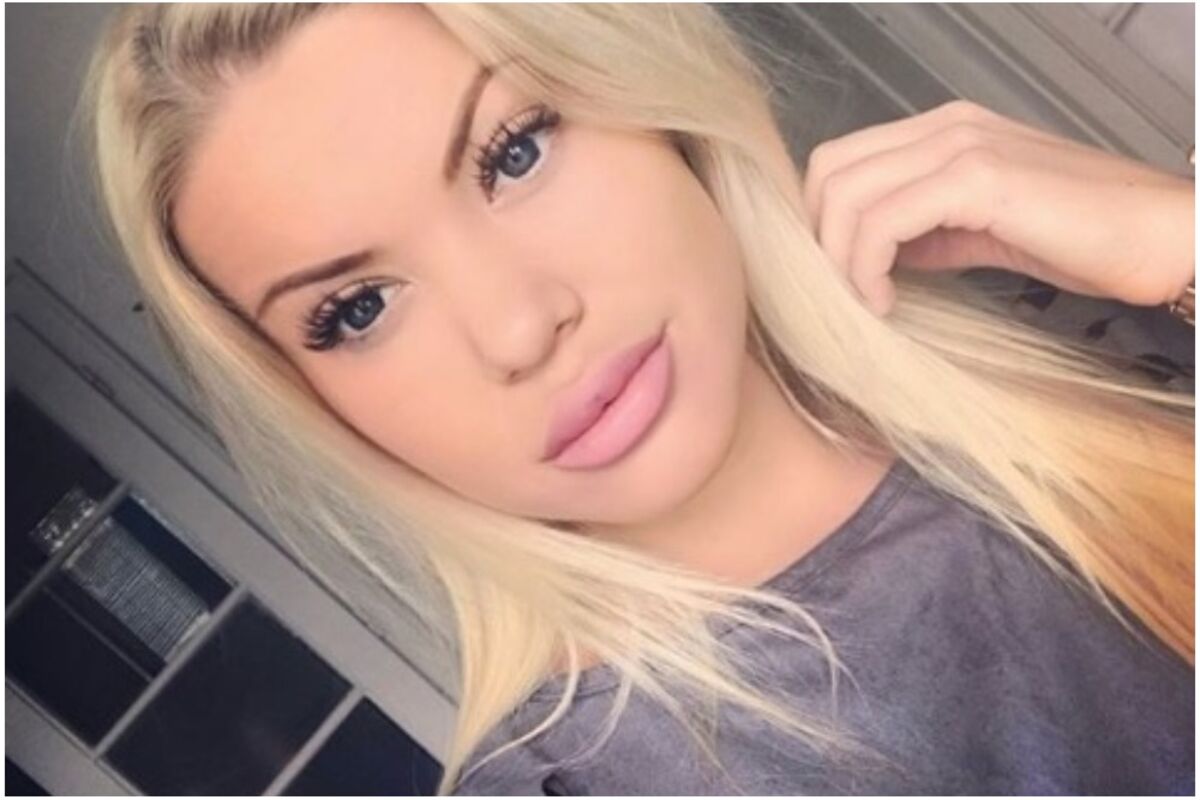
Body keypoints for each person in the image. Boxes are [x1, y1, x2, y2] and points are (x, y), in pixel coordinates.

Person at [83, 3, 1193, 794]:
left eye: (513, 152)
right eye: (359, 309)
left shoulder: (1101, 340)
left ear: (648, 96)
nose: (519, 327)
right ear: (315, 401)